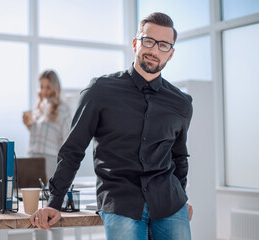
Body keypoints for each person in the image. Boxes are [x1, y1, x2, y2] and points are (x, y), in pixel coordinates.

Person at [31, 12, 194, 240]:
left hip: (169, 202)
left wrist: (182, 198)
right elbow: (73, 150)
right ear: (136, 43)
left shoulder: (181, 103)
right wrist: (54, 201)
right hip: (121, 201)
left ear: (171, 53)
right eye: (149, 41)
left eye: (164, 45)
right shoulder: (100, 90)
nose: (155, 50)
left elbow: (179, 157)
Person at [23, 70, 71, 240]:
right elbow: (39, 138)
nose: (44, 91)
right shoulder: (40, 106)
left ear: (55, 87)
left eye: (48, 87)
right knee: (35, 210)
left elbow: (67, 141)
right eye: (42, 87)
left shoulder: (63, 109)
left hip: (50, 161)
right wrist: (29, 125)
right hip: (33, 161)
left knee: (51, 208)